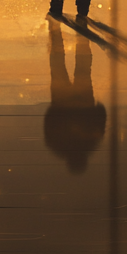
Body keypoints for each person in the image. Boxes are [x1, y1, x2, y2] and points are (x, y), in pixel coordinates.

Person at [43, 21, 106, 174]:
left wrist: (98, 108)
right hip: (62, 102)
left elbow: (99, 122)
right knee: (58, 66)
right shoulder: (60, 146)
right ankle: (56, 33)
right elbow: (49, 126)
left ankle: (78, 37)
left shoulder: (88, 144)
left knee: (82, 69)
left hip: (80, 102)